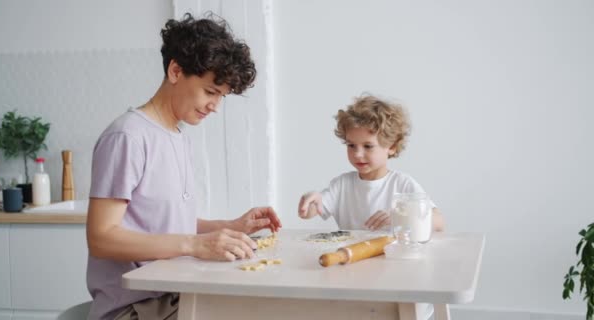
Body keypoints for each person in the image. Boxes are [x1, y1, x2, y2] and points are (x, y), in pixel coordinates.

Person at [86, 13, 282, 320]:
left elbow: (163, 225)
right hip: (135, 309)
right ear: (176, 70)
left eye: (222, 97)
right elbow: (101, 238)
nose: (215, 107)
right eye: (210, 92)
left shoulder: (177, 137)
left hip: (173, 295)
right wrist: (195, 245)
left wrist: (227, 227)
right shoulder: (128, 137)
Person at [298, 94, 444, 232]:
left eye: (368, 146)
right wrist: (310, 201)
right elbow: (310, 212)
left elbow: (439, 222)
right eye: (351, 145)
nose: (357, 154)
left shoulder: (402, 184)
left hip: (392, 257)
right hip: (351, 257)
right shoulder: (342, 185)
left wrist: (402, 217)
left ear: (392, 147)